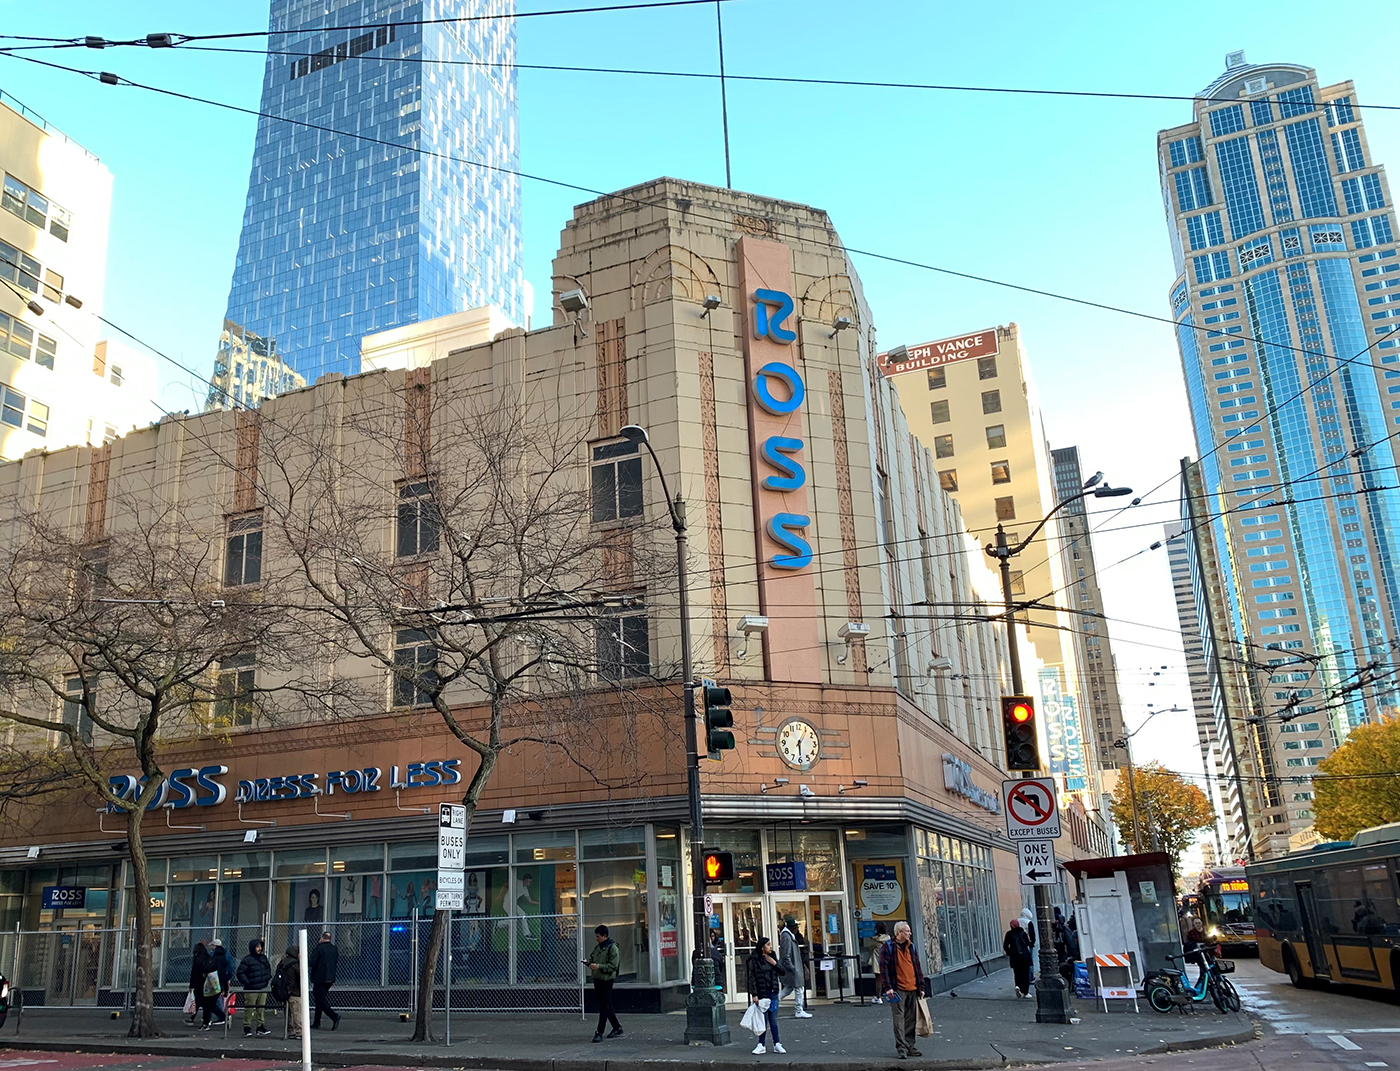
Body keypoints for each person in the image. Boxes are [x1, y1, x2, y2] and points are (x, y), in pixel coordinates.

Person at [879, 921, 925, 1060]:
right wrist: (888, 987)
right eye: (907, 931)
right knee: (899, 1019)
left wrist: (921, 987)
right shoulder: (888, 947)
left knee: (911, 1019)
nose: (910, 933)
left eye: (909, 931)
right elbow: (883, 969)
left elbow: (917, 967)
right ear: (899, 933)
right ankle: (901, 1048)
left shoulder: (912, 947)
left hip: (913, 987)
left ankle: (910, 1045)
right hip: (897, 988)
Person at [745, 935, 787, 1055]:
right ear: (762, 947)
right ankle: (761, 1044)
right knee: (762, 1020)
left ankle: (777, 1043)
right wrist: (754, 994)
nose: (770, 947)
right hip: (762, 993)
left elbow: (782, 972)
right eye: (768, 945)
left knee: (773, 1020)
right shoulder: (754, 959)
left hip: (772, 991)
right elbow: (752, 977)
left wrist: (775, 963)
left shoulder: (772, 957)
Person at [586, 924, 623, 1042]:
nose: (596, 938)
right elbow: (593, 958)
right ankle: (616, 1026)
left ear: (604, 936)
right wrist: (589, 963)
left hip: (607, 979)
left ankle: (599, 1032)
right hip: (598, 978)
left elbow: (613, 966)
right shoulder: (598, 948)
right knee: (605, 1004)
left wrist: (599, 966)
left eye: (598, 936)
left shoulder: (613, 948)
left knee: (604, 1005)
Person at [236, 938, 273, 1037]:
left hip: (262, 987)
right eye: (257, 947)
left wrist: (267, 978)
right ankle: (247, 1026)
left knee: (261, 1008)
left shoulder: (263, 958)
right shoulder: (247, 960)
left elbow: (268, 969)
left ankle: (260, 1026)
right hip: (251, 988)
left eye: (260, 946)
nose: (259, 948)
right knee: (249, 1008)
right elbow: (240, 972)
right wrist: (247, 983)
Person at [778, 916, 812, 1018]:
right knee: (799, 988)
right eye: (795, 927)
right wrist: (792, 968)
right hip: (792, 967)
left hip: (792, 966)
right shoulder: (787, 937)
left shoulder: (788, 935)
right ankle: (798, 1010)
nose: (797, 929)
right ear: (791, 927)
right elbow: (785, 955)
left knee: (789, 988)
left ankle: (772, 1003)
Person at [308, 931, 341, 1030]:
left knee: (319, 999)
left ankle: (333, 1016)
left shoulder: (319, 949)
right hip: (330, 978)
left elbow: (312, 962)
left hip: (320, 977)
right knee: (320, 999)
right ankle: (316, 1022)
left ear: (322, 938)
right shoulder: (334, 949)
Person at [190, 940, 225, 1029]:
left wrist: (192, 985)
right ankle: (210, 1019)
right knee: (209, 1004)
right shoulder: (210, 958)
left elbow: (194, 973)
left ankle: (205, 1021)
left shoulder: (198, 960)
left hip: (202, 985)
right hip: (212, 984)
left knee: (205, 1004)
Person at [274, 945, 303, 1040]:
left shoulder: (282, 962)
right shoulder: (295, 964)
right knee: (297, 1013)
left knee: (288, 1013)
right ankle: (299, 1032)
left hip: (284, 991)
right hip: (295, 992)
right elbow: (300, 977)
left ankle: (290, 1031)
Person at [1003, 918, 1034, 999]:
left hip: (1015, 958)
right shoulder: (1023, 933)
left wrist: (1010, 953)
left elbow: (1005, 946)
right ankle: (1026, 992)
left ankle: (1018, 986)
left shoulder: (1009, 934)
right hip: (1024, 957)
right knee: (1025, 974)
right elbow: (1028, 943)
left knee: (1017, 973)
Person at [870, 922, 891, 1004]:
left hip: (877, 961)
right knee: (887, 978)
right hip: (886, 960)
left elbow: (870, 947)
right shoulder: (888, 938)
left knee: (878, 980)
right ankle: (890, 994)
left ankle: (878, 997)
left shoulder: (875, 940)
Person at [1019, 907, 1037, 980]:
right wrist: (1032, 942)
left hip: (1019, 944)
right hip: (1028, 944)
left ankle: (1023, 977)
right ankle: (1030, 976)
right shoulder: (1028, 922)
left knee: (1021, 962)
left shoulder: (1018, 921)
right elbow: (1032, 934)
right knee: (1029, 961)